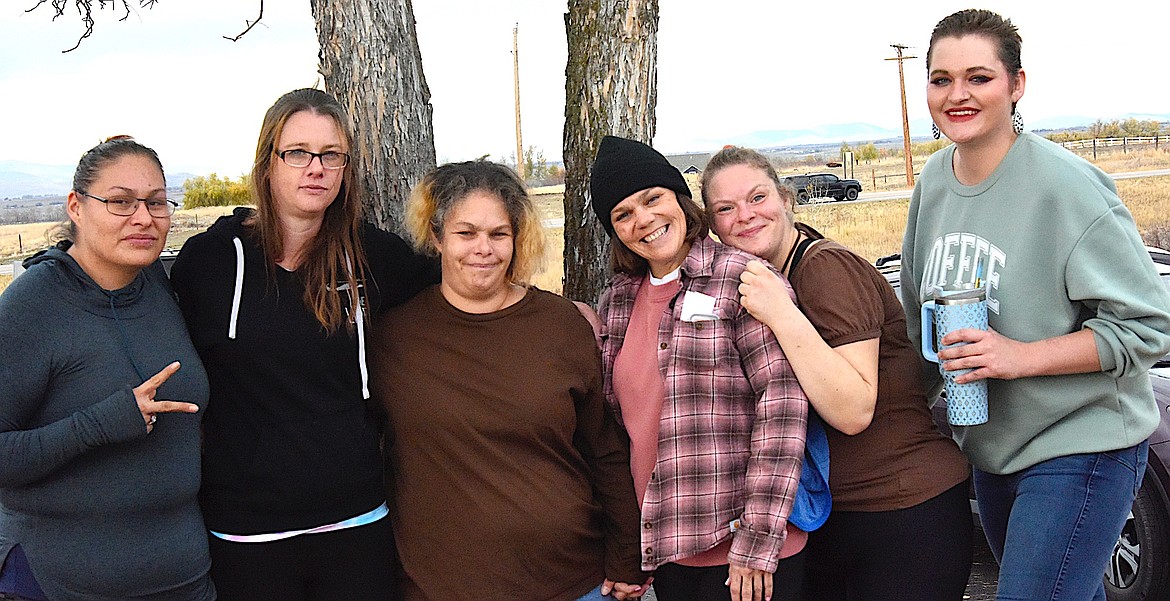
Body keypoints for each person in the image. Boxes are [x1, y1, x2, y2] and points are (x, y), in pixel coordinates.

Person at [901, 9, 1170, 600]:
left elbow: (1150, 325)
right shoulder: (933, 184)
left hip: (1082, 444)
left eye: (979, 77)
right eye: (941, 79)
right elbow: (913, 309)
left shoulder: (1066, 186)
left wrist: (1019, 357)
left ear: (1016, 84)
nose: (958, 95)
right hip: (992, 448)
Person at [170, 88, 436, 601]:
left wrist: (548, 309)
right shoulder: (211, 262)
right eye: (297, 153)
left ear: (345, 168)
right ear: (268, 162)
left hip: (356, 518)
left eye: (330, 155)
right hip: (247, 529)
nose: (315, 168)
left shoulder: (374, 256)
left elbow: (458, 290)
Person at [699, 145, 973, 600]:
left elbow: (852, 409)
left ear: (787, 200)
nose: (745, 216)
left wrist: (782, 314)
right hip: (839, 517)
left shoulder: (824, 269)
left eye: (758, 197)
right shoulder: (770, 277)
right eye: (725, 209)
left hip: (902, 512)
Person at [368, 160, 648, 601]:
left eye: (498, 234)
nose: (483, 249)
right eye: (466, 233)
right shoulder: (393, 338)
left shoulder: (562, 325)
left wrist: (627, 556)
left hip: (573, 582)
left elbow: (606, 449)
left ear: (516, 240)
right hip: (440, 587)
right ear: (437, 237)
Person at [589, 135, 809, 601]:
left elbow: (783, 406)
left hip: (744, 555)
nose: (643, 220)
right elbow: (620, 430)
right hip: (671, 553)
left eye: (652, 199)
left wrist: (758, 539)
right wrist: (632, 550)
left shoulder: (743, 277)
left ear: (680, 201)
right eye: (622, 214)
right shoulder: (617, 303)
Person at [0, 137, 214, 601]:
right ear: (77, 206)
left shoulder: (159, 285)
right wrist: (97, 425)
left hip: (183, 577)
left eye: (156, 202)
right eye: (120, 202)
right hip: (62, 583)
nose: (143, 218)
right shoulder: (33, 306)